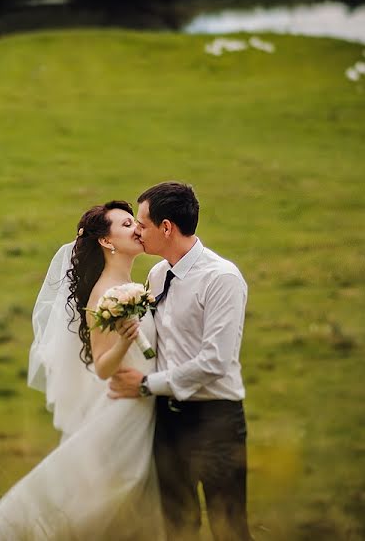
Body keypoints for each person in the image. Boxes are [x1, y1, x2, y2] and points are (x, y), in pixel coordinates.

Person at [0, 201, 165, 540]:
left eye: (135, 222)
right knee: (100, 498)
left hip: (146, 399)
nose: (136, 228)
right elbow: (103, 367)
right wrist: (124, 341)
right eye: (125, 225)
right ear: (106, 242)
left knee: (125, 502)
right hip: (124, 407)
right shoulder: (103, 296)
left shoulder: (139, 285)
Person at [110, 182, 253, 541]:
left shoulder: (222, 278)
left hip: (215, 418)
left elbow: (215, 361)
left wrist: (145, 385)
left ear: (166, 227)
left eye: (141, 224)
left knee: (229, 529)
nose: (137, 232)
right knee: (178, 528)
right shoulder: (157, 275)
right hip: (168, 422)